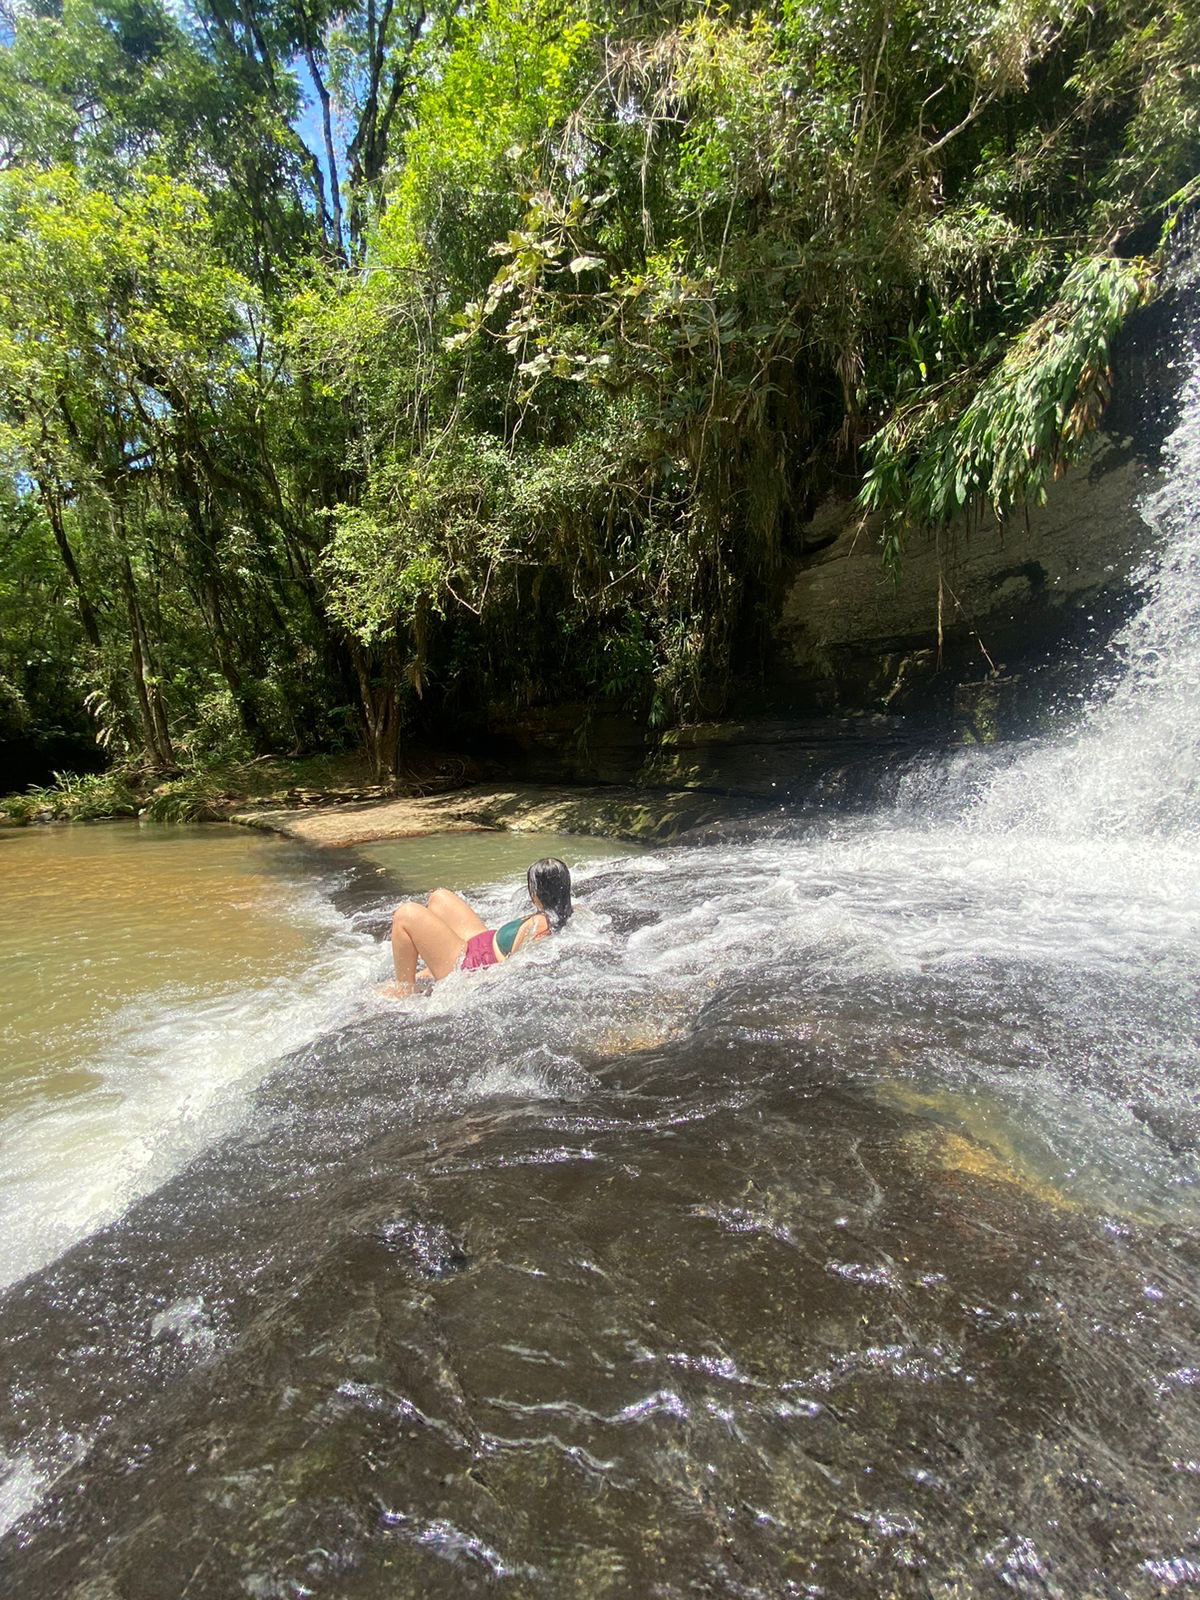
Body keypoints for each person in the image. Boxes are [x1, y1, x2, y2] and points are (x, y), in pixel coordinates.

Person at [387, 857, 573, 996]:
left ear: (539, 892)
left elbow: (513, 966)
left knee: (406, 914)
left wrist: (473, 981)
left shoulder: (540, 924)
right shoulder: (565, 913)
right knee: (439, 897)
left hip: (474, 963)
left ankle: (404, 992)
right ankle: (431, 967)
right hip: (482, 943)